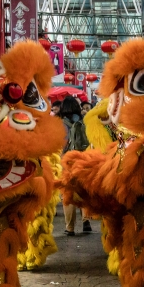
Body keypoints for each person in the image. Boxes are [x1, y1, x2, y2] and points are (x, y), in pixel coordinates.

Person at [60, 96, 90, 235]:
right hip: (83, 160)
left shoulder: (61, 124)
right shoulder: (85, 121)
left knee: (68, 193)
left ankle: (69, 228)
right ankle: (86, 220)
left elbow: (61, 145)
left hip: (67, 161)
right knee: (83, 191)